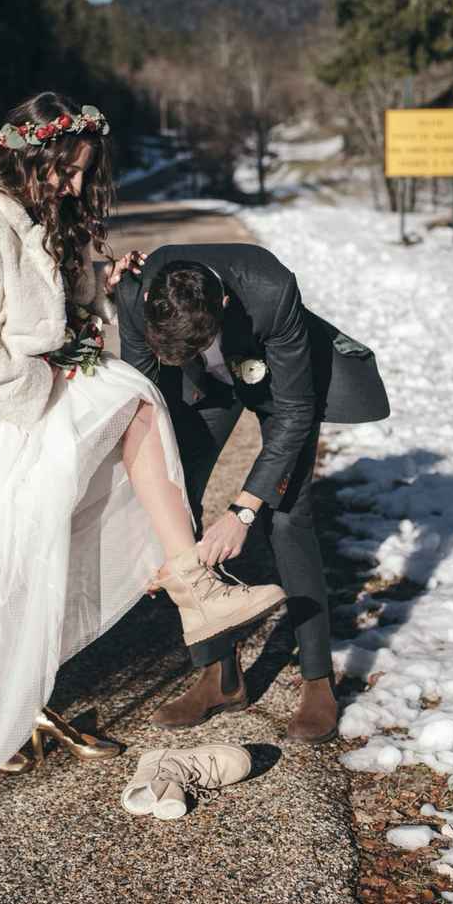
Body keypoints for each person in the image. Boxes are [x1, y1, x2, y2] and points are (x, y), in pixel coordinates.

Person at [0, 93, 282, 820]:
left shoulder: (29, 212)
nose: (71, 185)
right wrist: (48, 378)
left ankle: (191, 586)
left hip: (12, 400)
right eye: (64, 170)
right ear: (27, 154)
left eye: (81, 173)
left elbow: (33, 308)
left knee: (125, 415)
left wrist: (98, 286)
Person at [116, 245, 390, 744]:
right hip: (202, 388)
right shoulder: (135, 291)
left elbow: (294, 412)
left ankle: (318, 681)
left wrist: (242, 511)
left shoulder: (270, 289)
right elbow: (141, 402)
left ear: (221, 304)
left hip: (276, 384)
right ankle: (219, 676)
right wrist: (151, 537)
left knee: (286, 516)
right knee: (174, 504)